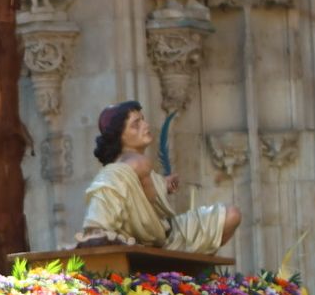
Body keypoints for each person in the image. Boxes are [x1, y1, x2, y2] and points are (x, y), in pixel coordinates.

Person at [74, 101, 240, 252]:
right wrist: (96, 229)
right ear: (120, 136)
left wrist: (164, 185)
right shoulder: (116, 172)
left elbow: (147, 195)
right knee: (231, 214)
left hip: (170, 236)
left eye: (143, 120)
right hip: (146, 244)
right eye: (135, 124)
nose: (145, 125)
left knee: (230, 216)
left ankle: (182, 270)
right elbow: (99, 215)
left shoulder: (142, 168)